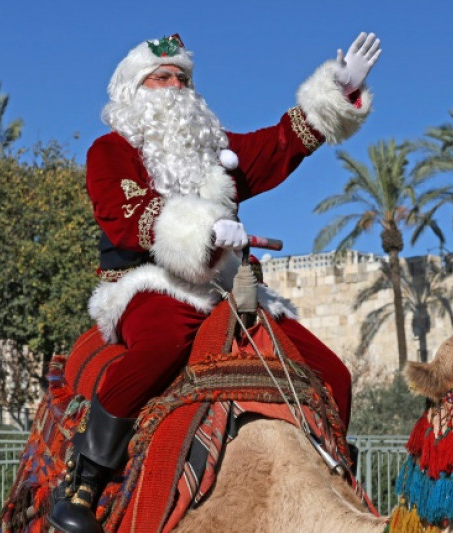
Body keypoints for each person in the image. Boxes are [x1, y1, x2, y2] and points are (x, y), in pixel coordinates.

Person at [48, 32, 380, 533]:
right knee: (163, 344)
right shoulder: (110, 150)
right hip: (151, 281)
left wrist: (337, 92)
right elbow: (123, 213)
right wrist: (202, 232)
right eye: (162, 77)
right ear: (134, 90)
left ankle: (333, 484)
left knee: (332, 373)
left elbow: (277, 145)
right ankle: (85, 480)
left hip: (225, 288)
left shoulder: (214, 149)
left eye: (183, 78)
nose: (176, 87)